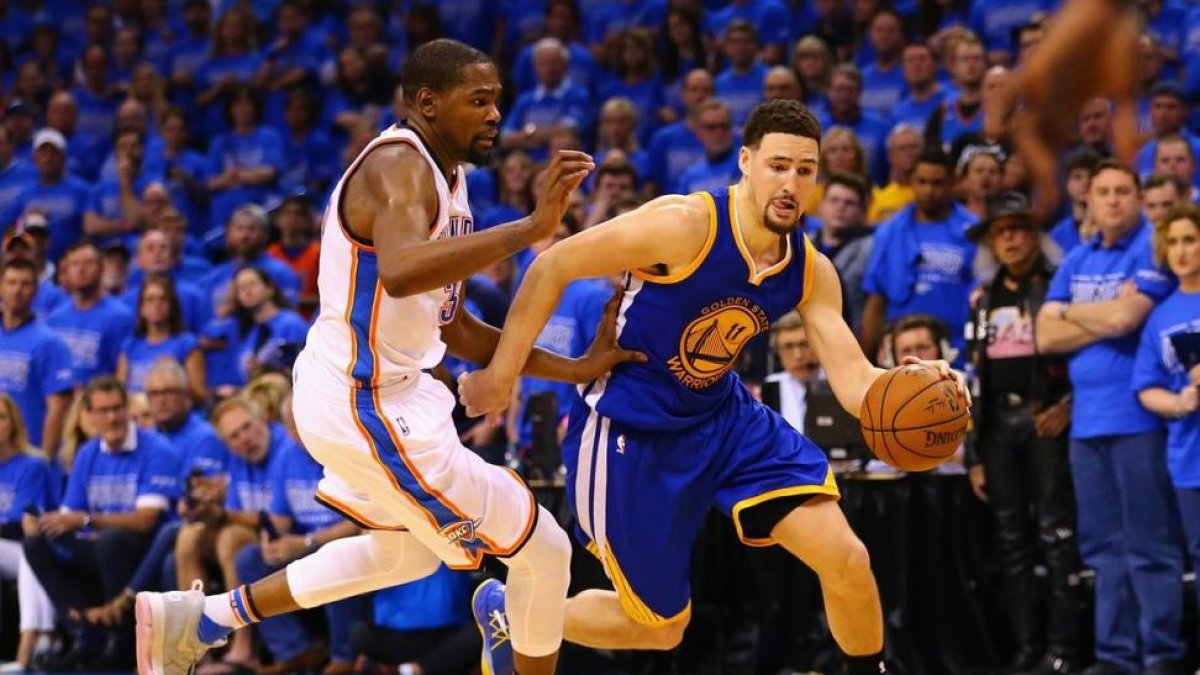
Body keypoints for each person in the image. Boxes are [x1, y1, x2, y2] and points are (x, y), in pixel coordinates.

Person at [135, 38, 637, 675]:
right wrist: (531, 231)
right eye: (478, 101)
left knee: (407, 553)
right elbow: (400, 272)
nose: (494, 116)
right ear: (427, 101)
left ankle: (203, 619)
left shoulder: (450, 184)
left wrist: (574, 368)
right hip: (361, 398)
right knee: (544, 549)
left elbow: (458, 332)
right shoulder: (398, 166)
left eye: (498, 102)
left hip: (376, 392)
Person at [458, 99, 968, 675]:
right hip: (632, 429)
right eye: (778, 165)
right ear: (745, 162)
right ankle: (511, 610)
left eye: (805, 170)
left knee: (848, 558)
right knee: (659, 630)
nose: (791, 182)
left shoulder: (808, 269)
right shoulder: (683, 225)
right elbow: (553, 266)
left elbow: (856, 382)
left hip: (725, 419)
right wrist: (502, 375)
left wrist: (918, 379)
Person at [1036, 159, 1184, 675]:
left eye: (1124, 190)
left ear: (1139, 198)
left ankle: (1161, 655)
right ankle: (1115, 656)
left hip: (1139, 421)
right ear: (1090, 201)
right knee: (1102, 547)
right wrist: (1095, 317)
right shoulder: (1077, 258)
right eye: (1104, 192)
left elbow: (1127, 318)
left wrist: (1070, 314)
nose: (1114, 200)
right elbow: (1043, 334)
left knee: (1149, 543)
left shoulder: (1151, 249)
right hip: (1087, 428)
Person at [964, 192, 1080, 675]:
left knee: (1055, 536)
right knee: (1010, 541)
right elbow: (972, 373)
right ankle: (1026, 648)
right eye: (1001, 230)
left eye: (1019, 228)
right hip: (997, 430)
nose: (1010, 238)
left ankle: (1064, 649)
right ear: (992, 241)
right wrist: (973, 452)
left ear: (1035, 235)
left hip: (1046, 423)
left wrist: (1070, 406)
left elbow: (1084, 359)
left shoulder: (1059, 289)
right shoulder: (984, 298)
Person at [1132, 205, 1200, 659]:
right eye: (1172, 242)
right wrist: (1178, 403)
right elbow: (1145, 386)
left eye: (1190, 239)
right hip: (1189, 457)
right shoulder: (1161, 315)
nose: (1181, 250)